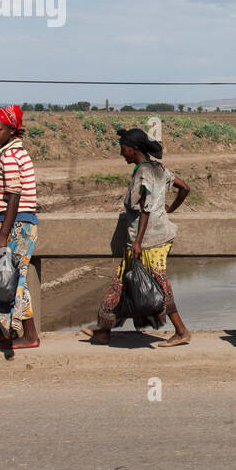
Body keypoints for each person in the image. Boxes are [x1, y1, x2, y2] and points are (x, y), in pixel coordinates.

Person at [82, 128, 192, 347]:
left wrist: (138, 241)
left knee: (158, 284)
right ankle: (104, 331)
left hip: (150, 240)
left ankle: (181, 331)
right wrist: (169, 210)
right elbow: (185, 188)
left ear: (134, 149)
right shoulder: (159, 168)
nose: (122, 153)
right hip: (155, 236)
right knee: (122, 281)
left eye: (124, 149)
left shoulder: (143, 173)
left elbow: (145, 209)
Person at [0, 105, 41, 351]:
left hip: (15, 225)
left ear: (12, 130)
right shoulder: (12, 153)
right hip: (10, 222)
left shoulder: (11, 157)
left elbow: (13, 196)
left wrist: (3, 233)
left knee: (13, 279)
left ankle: (30, 334)